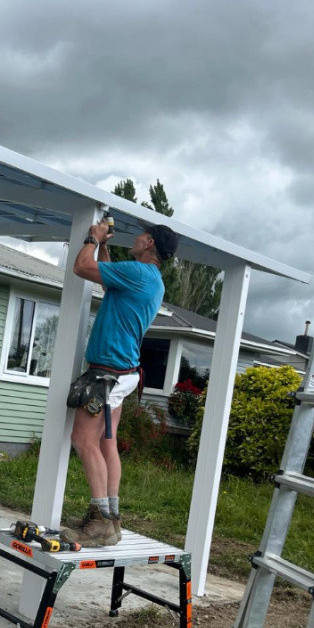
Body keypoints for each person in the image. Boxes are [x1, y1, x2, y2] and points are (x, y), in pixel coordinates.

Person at [60, 222, 178, 547]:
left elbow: (83, 266)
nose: (136, 238)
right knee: (106, 444)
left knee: (83, 440)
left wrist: (92, 239)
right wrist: (104, 248)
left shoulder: (138, 273)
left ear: (149, 242)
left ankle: (99, 522)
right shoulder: (150, 279)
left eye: (141, 235)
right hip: (124, 373)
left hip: (107, 372)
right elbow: (110, 274)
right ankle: (111, 518)